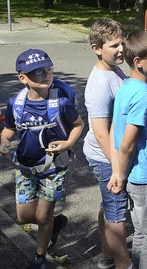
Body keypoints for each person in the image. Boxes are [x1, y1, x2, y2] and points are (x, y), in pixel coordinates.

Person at [0, 49, 84, 269]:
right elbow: (9, 128)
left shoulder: (62, 103)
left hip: (54, 167)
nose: (46, 74)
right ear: (23, 78)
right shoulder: (15, 103)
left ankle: (39, 258)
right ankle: (54, 224)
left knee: (43, 215)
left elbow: (78, 125)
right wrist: (4, 140)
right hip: (26, 167)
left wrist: (68, 143)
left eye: (49, 69)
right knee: (25, 216)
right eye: (38, 71)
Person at [108, 31, 147, 269]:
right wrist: (119, 174)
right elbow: (128, 141)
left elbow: (114, 129)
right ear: (138, 62)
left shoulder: (127, 87)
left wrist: (118, 170)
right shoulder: (142, 95)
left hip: (136, 175)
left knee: (142, 234)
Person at [83, 19, 131, 269]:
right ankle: (123, 262)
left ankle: (107, 254)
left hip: (111, 155)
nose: (121, 49)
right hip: (105, 157)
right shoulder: (100, 84)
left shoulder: (114, 69)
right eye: (114, 45)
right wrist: (117, 169)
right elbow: (101, 133)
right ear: (96, 48)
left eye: (122, 42)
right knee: (116, 209)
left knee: (108, 203)